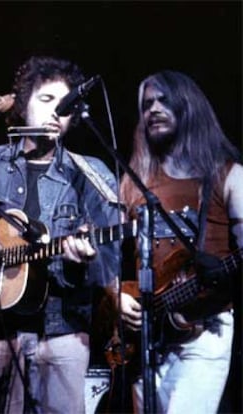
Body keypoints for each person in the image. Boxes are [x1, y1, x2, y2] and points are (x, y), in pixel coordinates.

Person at [0, 55, 121, 413]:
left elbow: (108, 265)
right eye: (45, 100)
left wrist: (82, 261)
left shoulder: (92, 174)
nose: (55, 113)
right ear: (23, 105)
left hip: (63, 328)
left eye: (64, 106)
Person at [119, 70, 243, 413]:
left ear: (189, 106)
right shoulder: (134, 183)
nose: (154, 109)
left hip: (204, 329)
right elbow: (115, 259)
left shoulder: (229, 175)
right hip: (147, 335)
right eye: (147, 104)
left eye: (164, 100)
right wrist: (117, 297)